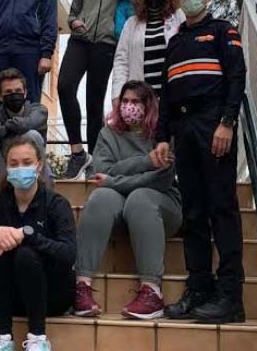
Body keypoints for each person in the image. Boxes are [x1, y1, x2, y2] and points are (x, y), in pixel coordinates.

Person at [155, 0, 247, 324]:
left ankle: (230, 296)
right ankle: (199, 289)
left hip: (213, 125)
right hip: (183, 129)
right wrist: (162, 137)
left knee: (222, 207)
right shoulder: (175, 42)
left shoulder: (223, 31)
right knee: (192, 212)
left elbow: (236, 77)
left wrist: (227, 122)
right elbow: (166, 95)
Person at [73, 81, 181, 319]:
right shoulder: (107, 134)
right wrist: (146, 163)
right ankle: (81, 285)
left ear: (148, 105)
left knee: (139, 198)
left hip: (162, 206)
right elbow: (102, 171)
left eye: (136, 102)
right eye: (125, 101)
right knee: (100, 196)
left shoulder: (163, 134)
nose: (129, 106)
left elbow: (161, 180)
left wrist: (114, 180)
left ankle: (152, 291)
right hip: (118, 208)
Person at [0, 137, 76, 351]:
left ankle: (39, 340)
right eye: (14, 164)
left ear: (39, 166)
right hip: (14, 300)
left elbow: (69, 254)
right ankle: (3, 341)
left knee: (26, 254)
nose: (20, 169)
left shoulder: (56, 204)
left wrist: (26, 235)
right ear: (6, 168)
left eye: (27, 162)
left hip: (52, 296)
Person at [58, 0, 118, 180]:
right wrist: (74, 22)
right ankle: (77, 152)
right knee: (64, 86)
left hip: (105, 46)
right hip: (80, 42)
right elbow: (73, 13)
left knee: (95, 101)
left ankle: (95, 159)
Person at [0, 68, 49, 210]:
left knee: (32, 135)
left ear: (25, 92)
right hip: (6, 169)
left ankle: (42, 200)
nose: (14, 95)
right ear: (0, 96)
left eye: (18, 91)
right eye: (8, 92)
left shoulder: (38, 110)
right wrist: (6, 129)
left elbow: (28, 123)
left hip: (34, 170)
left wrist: (6, 126)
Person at [112, 0, 183, 105]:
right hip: (141, 100)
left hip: (174, 97)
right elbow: (121, 61)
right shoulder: (131, 23)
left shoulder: (179, 16)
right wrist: (117, 96)